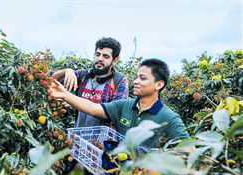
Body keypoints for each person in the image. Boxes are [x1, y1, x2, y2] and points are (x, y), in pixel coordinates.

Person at [48, 58, 191, 148]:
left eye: (142, 78)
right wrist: (65, 95)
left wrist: (153, 155)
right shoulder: (124, 106)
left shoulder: (169, 118)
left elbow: (189, 151)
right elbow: (92, 108)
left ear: (159, 84)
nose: (135, 81)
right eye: (136, 77)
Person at [50, 37, 129, 128]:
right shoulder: (83, 76)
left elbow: (115, 113)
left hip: (102, 141)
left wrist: (71, 99)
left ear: (115, 61)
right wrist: (66, 71)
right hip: (78, 138)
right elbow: (49, 81)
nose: (100, 59)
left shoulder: (119, 81)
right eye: (98, 54)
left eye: (105, 56)